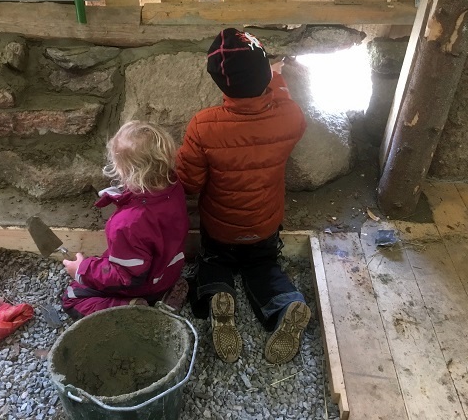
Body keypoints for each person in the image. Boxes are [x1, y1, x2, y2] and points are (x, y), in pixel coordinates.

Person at [175, 28, 310, 364]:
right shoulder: (291, 117)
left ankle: (217, 295)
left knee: (213, 263)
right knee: (264, 267)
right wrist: (277, 77)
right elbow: (282, 101)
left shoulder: (203, 125)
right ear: (265, 74)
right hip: (264, 226)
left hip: (221, 228)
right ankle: (286, 304)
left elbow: (189, 183)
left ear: (220, 83)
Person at [60, 120, 190, 319]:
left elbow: (127, 277)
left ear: (123, 169)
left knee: (72, 298)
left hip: (143, 285)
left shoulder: (128, 223)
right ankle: (166, 293)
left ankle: (131, 307)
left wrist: (82, 270)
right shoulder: (173, 186)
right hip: (166, 272)